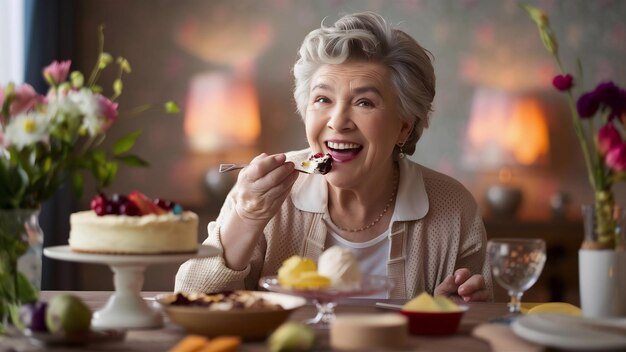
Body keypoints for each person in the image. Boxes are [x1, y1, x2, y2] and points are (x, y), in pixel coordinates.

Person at [176, 11, 492, 301]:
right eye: (323, 99)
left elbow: (483, 316)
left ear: (403, 128)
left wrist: (464, 304)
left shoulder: (453, 208)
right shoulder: (263, 194)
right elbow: (188, 302)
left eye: (365, 102)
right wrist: (246, 218)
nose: (337, 121)